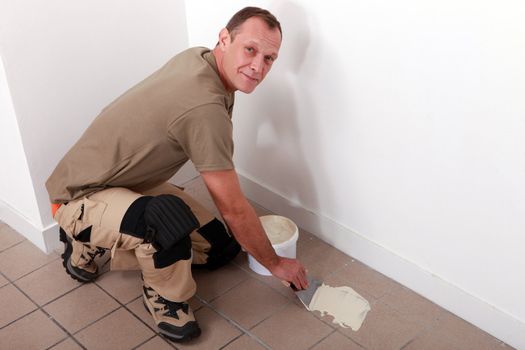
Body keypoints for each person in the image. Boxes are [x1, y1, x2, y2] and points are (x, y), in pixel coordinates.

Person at [46, 6, 308, 343]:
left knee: (220, 248)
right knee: (164, 221)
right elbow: (232, 206)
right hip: (79, 194)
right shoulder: (204, 107)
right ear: (225, 39)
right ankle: (157, 292)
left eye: (269, 58)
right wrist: (275, 263)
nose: (258, 66)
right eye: (251, 49)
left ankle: (120, 233)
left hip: (125, 181)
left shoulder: (200, 59)